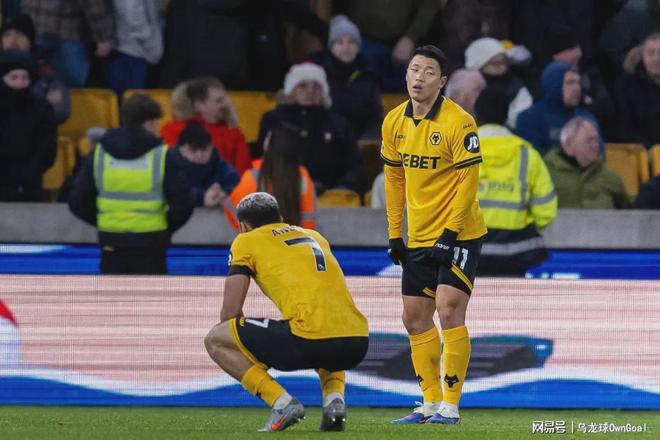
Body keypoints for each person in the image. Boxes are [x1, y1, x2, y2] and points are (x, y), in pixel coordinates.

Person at [381, 45, 487, 424]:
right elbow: (394, 178)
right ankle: (429, 402)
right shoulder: (393, 122)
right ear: (406, 75)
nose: (419, 77)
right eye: (414, 70)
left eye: (428, 72)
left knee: (448, 309)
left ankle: (451, 406)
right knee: (414, 318)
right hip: (419, 235)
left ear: (441, 82)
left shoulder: (460, 123)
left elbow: (468, 183)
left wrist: (450, 233)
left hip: (460, 233)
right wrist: (395, 234)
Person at [204, 192, 368, 432]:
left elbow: (230, 312)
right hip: (357, 340)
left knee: (215, 339)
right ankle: (334, 402)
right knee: (324, 326)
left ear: (243, 226)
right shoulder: (315, 236)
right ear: (280, 218)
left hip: (309, 339)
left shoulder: (246, 240)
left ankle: (282, 403)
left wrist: (249, 355)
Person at [68, 94, 194, 274]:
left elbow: (77, 201)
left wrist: (105, 220)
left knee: (114, 293)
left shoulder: (100, 153)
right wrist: (164, 228)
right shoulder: (161, 156)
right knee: (150, 292)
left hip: (112, 241)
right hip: (151, 243)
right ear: (149, 123)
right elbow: (184, 204)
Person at [474, 85, 557, 276]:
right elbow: (545, 213)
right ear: (506, 116)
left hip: (467, 253)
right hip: (515, 254)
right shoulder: (528, 155)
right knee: (510, 297)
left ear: (476, 116)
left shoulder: (459, 152)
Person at [256, 62, 364, 194]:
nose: (310, 91)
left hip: (331, 194)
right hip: (284, 192)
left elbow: (355, 166)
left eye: (316, 86)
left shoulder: (339, 124)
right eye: (303, 85)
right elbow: (261, 160)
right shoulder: (274, 120)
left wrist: (342, 189)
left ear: (324, 92)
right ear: (291, 90)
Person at [225, 125, 316, 230]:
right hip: (297, 238)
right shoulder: (303, 176)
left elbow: (236, 216)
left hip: (260, 239)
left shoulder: (253, 174)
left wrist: (224, 199)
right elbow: (309, 219)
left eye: (268, 137)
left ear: (269, 145)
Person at [308, 14, 382, 139]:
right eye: (340, 42)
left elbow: (375, 118)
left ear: (358, 47)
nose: (346, 48)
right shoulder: (318, 76)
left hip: (360, 143)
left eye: (351, 42)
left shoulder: (368, 76)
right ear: (331, 47)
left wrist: (365, 142)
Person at [161, 77, 252, 174]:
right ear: (199, 105)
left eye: (224, 99)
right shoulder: (174, 132)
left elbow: (244, 173)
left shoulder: (233, 133)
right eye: (218, 101)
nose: (225, 104)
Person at [0, 49, 56, 201]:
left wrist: (29, 174)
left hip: (30, 184)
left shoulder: (42, 108)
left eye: (25, 77)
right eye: (14, 77)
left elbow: (47, 148)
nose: (20, 83)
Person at [516, 61, 602, 155]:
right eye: (570, 83)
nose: (577, 88)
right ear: (554, 85)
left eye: (578, 83)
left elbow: (599, 155)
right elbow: (534, 158)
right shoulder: (530, 118)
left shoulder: (587, 118)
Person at [22, 0, 114, 87]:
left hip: (60, 33)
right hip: (59, 33)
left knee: (70, 84)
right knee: (26, 81)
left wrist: (102, 37)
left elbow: (93, 5)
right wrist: (103, 37)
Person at [544, 117, 630, 209]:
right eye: (589, 140)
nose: (596, 145)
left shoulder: (610, 177)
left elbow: (627, 212)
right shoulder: (545, 175)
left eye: (596, 140)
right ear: (569, 144)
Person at [0, 13, 70, 124]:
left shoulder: (45, 71)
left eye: (19, 34)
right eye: (7, 35)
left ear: (30, 41)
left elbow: (59, 110)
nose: (12, 40)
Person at [463, 37, 532, 129]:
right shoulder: (465, 86)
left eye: (504, 62)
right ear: (479, 63)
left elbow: (523, 115)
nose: (502, 67)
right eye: (496, 63)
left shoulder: (515, 87)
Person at [170, 122, 240, 208]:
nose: (199, 155)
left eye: (205, 149)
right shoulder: (169, 167)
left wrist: (226, 193)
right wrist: (202, 197)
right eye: (193, 150)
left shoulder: (221, 166)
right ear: (181, 149)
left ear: (212, 147)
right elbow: (171, 191)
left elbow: (240, 186)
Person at [106, 0, 164, 96]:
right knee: (133, 99)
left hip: (124, 46)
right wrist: (152, 47)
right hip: (135, 50)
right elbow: (133, 17)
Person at [614, 32, 660, 147]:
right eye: (651, 53)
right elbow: (624, 129)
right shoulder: (626, 86)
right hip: (643, 151)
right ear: (642, 56)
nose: (656, 58)